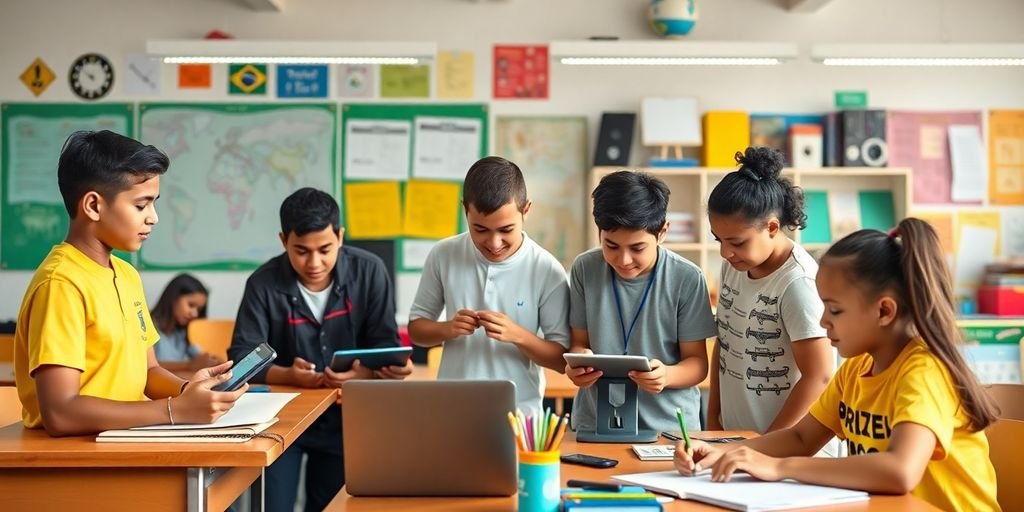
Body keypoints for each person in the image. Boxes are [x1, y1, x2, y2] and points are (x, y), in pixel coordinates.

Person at [674, 218, 1001, 512]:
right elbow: (802, 438)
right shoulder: (857, 369)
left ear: (884, 311)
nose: (822, 321)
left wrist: (781, 468)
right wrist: (730, 453)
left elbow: (900, 471)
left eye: (835, 310)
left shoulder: (924, 372)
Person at [13, 130, 244, 436]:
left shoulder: (126, 274)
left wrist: (190, 390)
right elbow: (60, 412)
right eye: (141, 205)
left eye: (154, 204)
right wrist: (175, 410)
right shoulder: (61, 284)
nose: (154, 218)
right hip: (77, 456)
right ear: (94, 206)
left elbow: (148, 372)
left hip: (124, 442)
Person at [229, 187, 412, 512]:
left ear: (340, 236)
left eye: (325, 249)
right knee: (274, 506)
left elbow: (385, 342)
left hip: (348, 417)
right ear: (283, 240)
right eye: (301, 251)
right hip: (280, 421)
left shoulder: (369, 271)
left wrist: (367, 372)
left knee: (332, 506)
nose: (314, 262)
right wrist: (288, 374)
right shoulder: (263, 282)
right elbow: (242, 357)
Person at [408, 156, 570, 414]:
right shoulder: (444, 254)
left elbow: (561, 360)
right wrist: (448, 328)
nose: (494, 243)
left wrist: (518, 335)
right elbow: (417, 330)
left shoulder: (547, 269)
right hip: (452, 410)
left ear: (526, 210)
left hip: (520, 414)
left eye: (506, 230)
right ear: (465, 210)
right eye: (480, 229)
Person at [565, 170, 718, 434]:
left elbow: (697, 364)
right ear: (599, 232)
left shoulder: (687, 278)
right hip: (595, 424)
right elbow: (580, 343)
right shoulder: (585, 268)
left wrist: (666, 376)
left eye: (637, 248)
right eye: (611, 246)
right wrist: (578, 364)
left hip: (667, 430)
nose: (623, 260)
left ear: (662, 232)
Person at [706, 147, 834, 435]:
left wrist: (766, 447)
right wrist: (714, 419)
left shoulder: (798, 284)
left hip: (790, 454)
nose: (726, 252)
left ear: (772, 227)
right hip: (739, 443)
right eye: (719, 240)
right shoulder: (734, 265)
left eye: (737, 242)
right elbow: (724, 345)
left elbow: (820, 377)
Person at [151, 273, 224, 372]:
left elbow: (199, 356)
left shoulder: (184, 332)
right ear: (173, 298)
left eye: (199, 309)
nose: (194, 314)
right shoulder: (148, 325)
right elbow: (146, 366)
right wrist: (189, 365)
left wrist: (213, 361)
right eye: (191, 305)